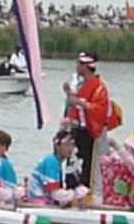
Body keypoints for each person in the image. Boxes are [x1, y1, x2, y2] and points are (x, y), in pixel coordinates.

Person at [63, 52, 109, 194]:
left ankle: (84, 193)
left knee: (86, 164)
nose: (76, 67)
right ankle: (70, 191)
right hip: (75, 129)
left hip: (88, 130)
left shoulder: (99, 87)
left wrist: (79, 102)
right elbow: (74, 104)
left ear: (85, 67)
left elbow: (100, 109)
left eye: (78, 64)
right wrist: (69, 94)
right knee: (72, 161)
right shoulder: (80, 84)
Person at [26, 129, 89, 207]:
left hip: (43, 201)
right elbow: (55, 194)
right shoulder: (51, 161)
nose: (70, 148)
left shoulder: (56, 162)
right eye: (66, 145)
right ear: (57, 146)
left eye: (72, 145)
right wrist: (76, 193)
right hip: (38, 202)